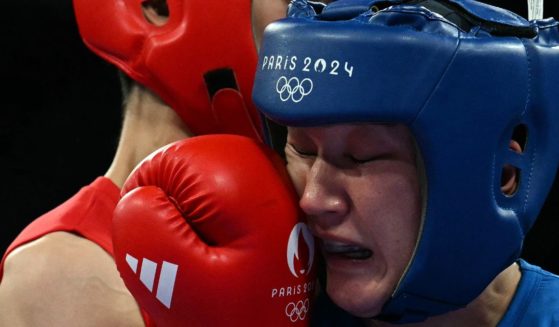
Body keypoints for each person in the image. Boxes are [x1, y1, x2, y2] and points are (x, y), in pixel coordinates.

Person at [252, 0, 559, 325]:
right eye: (303, 151)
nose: (312, 200)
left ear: (503, 175)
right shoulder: (276, 310)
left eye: (361, 157)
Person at [0, 0, 293, 325]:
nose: (314, 23)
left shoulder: (326, 231)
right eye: (290, 1)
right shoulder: (60, 273)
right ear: (158, 7)